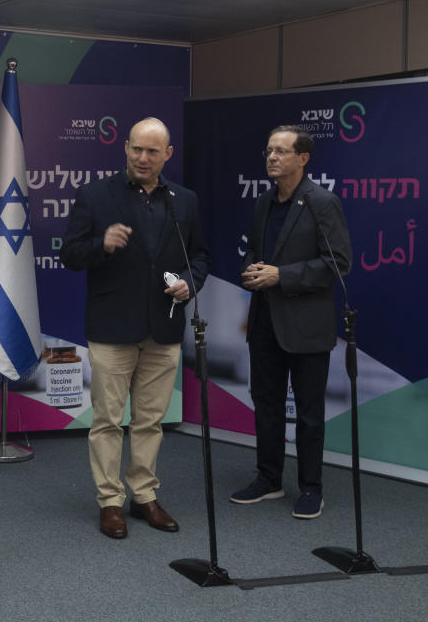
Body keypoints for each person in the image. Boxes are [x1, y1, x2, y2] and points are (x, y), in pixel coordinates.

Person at [60, 117, 210, 539]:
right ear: (125, 148)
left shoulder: (185, 200)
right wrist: (101, 245)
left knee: (150, 420)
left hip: (163, 326)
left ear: (168, 154)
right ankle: (110, 501)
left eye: (152, 151)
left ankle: (144, 495)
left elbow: (199, 257)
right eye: (136, 150)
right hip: (112, 326)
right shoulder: (94, 194)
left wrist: (189, 282)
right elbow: (70, 253)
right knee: (108, 420)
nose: (143, 158)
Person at [230, 125, 351, 519]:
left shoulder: (322, 202)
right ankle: (268, 479)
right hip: (264, 320)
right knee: (266, 404)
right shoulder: (264, 202)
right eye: (268, 151)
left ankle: (311, 487)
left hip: (306, 325)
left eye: (281, 151)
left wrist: (282, 275)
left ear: (303, 158)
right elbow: (253, 251)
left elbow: (338, 262)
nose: (271, 158)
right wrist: (250, 270)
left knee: (309, 412)